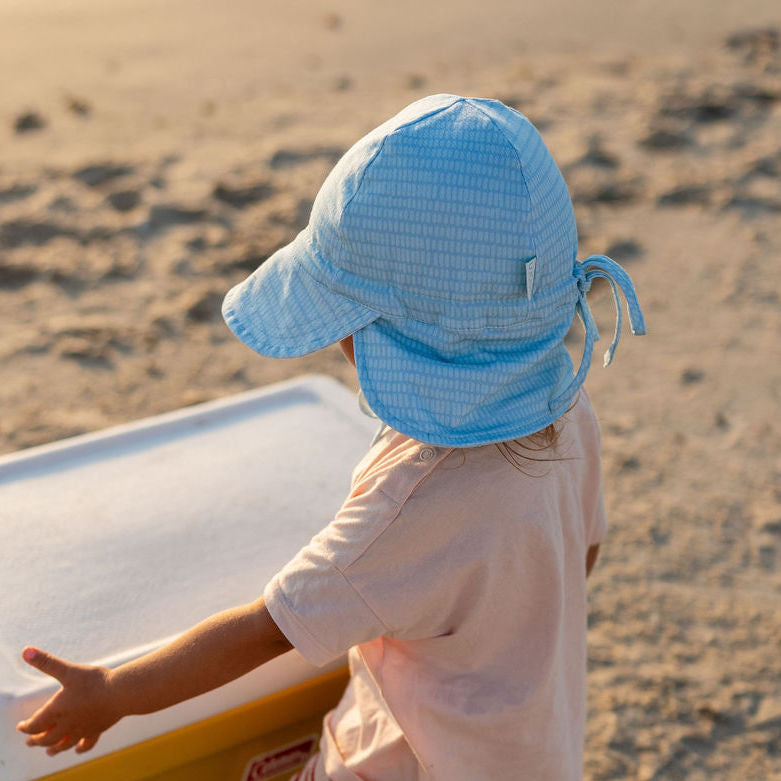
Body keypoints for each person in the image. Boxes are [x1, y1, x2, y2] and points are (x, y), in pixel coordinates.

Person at [17, 94, 645, 779]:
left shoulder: (409, 511)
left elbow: (264, 630)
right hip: (535, 749)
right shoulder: (567, 409)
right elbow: (578, 554)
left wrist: (113, 693)